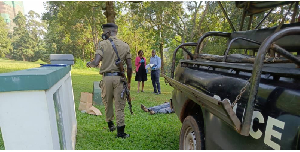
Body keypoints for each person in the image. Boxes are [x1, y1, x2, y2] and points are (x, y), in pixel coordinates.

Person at [86, 23, 132, 138]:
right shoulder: (125, 46)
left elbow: (96, 63)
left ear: (107, 32)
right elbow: (130, 67)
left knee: (108, 103)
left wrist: (89, 64)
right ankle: (121, 132)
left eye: (103, 32)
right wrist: (129, 82)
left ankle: (111, 124)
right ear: (116, 31)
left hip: (106, 79)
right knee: (119, 105)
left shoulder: (102, 44)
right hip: (119, 78)